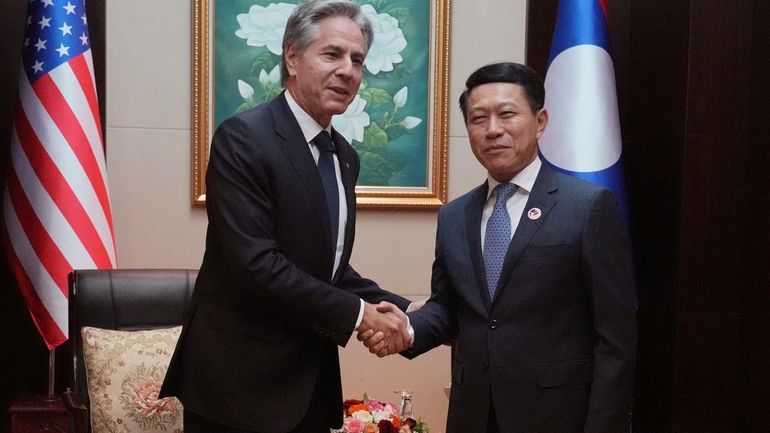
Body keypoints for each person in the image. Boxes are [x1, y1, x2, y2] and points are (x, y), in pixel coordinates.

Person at [159, 1, 412, 432]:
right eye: (332, 54)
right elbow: (256, 265)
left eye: (357, 60)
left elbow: (325, 270)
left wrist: (413, 313)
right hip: (237, 390)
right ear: (292, 58)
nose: (348, 70)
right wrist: (359, 316)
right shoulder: (243, 139)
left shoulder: (343, 157)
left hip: (309, 386)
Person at [370, 62, 638, 433]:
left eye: (507, 114)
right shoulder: (454, 215)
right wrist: (408, 329)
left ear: (540, 120)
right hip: (472, 416)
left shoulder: (588, 207)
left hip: (557, 418)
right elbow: (449, 307)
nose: (493, 130)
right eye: (479, 119)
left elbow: (615, 340)